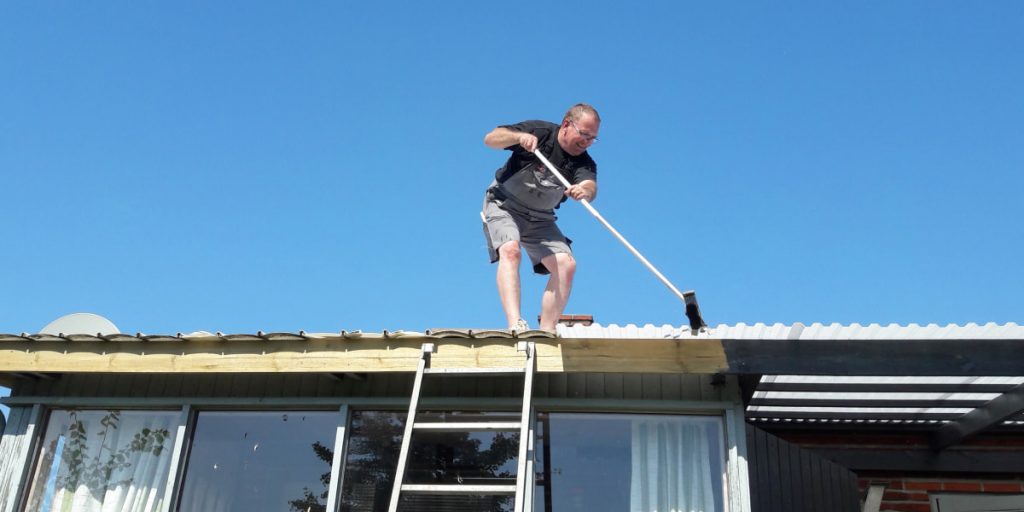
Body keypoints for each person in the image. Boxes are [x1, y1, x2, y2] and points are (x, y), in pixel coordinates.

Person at [481, 103, 600, 331]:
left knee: (567, 265)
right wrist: (518, 137)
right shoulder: (541, 132)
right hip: (504, 204)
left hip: (541, 218)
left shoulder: (584, 162)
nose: (586, 142)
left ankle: (547, 331)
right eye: (583, 134)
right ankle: (515, 324)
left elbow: (590, 184)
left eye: (592, 138)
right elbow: (491, 138)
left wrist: (584, 191)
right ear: (567, 124)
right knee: (510, 250)